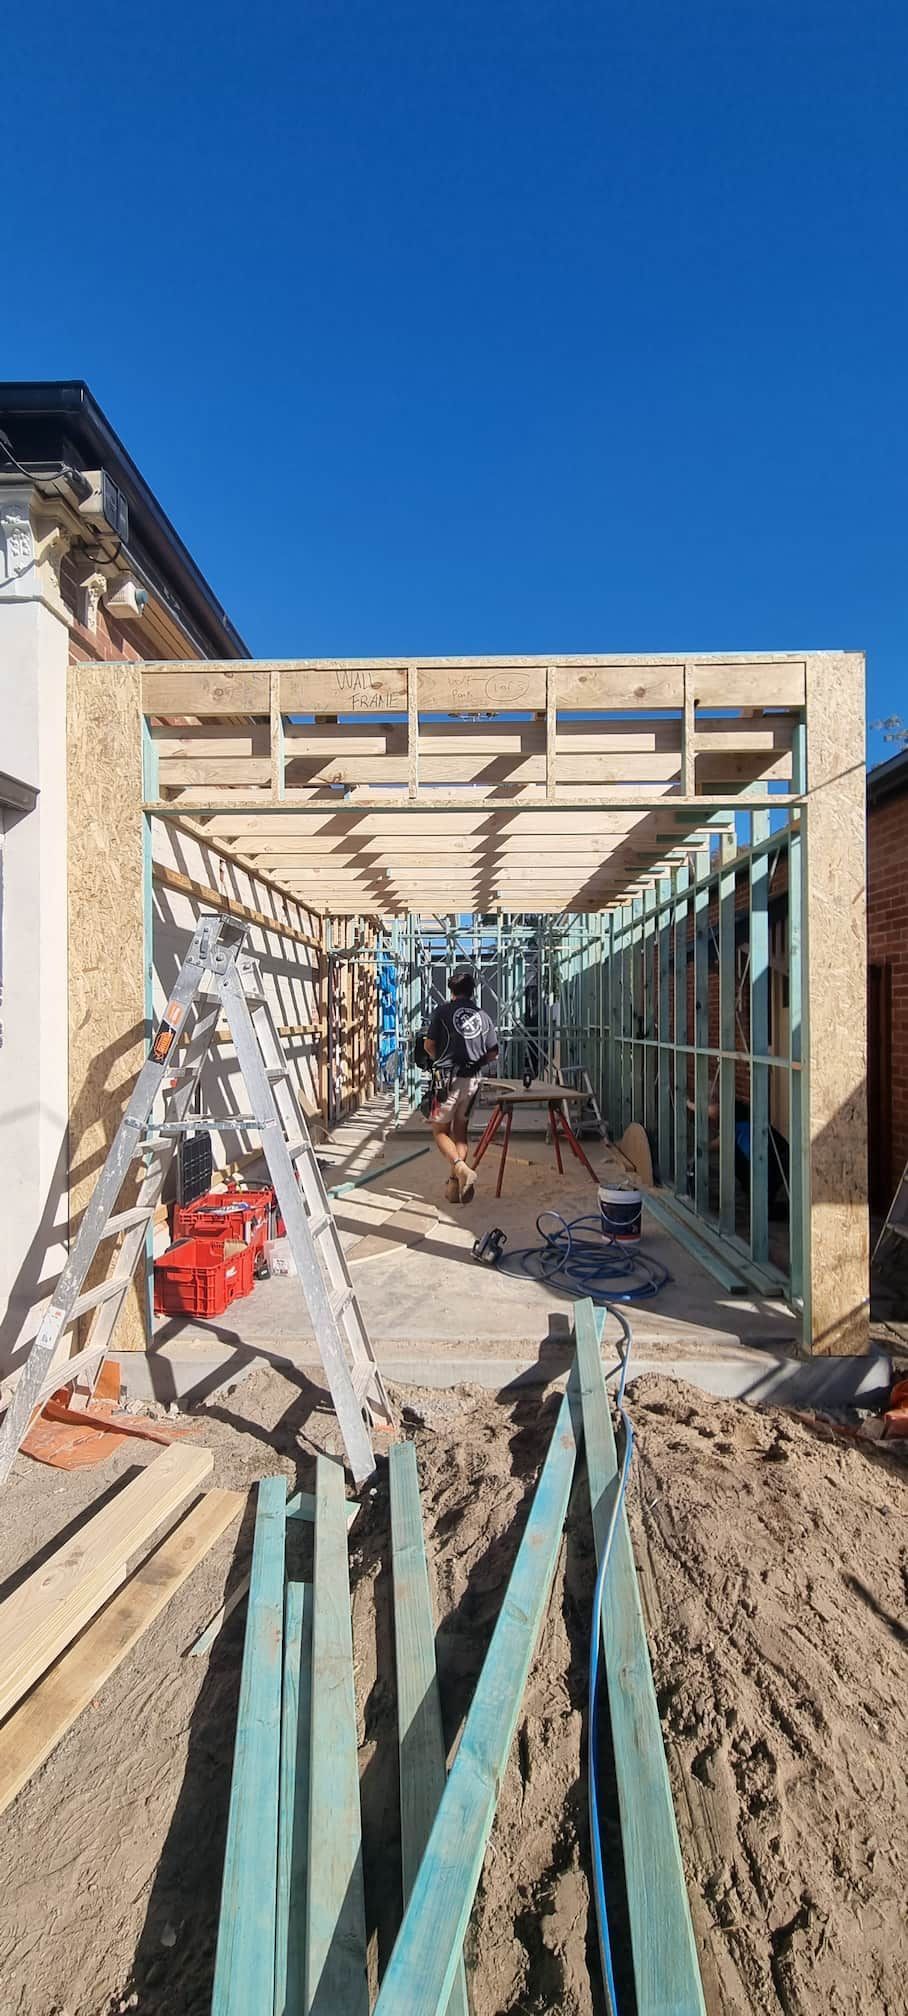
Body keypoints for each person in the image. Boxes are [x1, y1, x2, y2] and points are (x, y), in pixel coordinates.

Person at [424, 966, 499, 1203]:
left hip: (447, 1079)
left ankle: (461, 1168)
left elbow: (428, 1045)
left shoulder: (443, 1011)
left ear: (451, 991)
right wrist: (476, 1062)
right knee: (460, 1133)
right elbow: (493, 1053)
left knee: (439, 1131)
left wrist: (439, 1062)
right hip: (473, 1080)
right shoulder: (483, 1016)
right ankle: (456, 1187)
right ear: (472, 991)